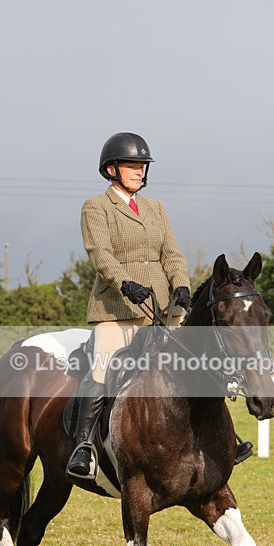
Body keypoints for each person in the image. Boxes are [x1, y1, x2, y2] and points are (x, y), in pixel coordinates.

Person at [66, 132, 192, 478]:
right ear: (111, 169)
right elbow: (100, 254)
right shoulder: (96, 206)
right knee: (102, 368)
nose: (139, 171)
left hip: (161, 308)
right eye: (132, 165)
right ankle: (84, 447)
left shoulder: (157, 209)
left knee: (193, 365)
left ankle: (215, 436)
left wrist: (182, 285)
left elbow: (172, 254)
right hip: (117, 308)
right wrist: (124, 283)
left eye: (142, 166)